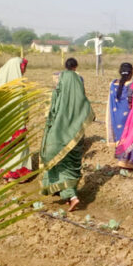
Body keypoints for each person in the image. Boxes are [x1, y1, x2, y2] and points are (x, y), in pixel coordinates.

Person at [40, 58, 95, 211]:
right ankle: (67, 193)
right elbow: (88, 112)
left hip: (59, 132)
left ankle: (71, 196)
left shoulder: (58, 90)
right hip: (76, 134)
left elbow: (51, 110)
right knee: (72, 164)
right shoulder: (81, 98)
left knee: (60, 162)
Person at [0, 57, 32, 181]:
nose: (24, 71)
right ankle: (16, 174)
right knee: (19, 147)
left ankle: (6, 173)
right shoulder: (19, 86)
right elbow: (23, 105)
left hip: (3, 124)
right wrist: (26, 116)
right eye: (23, 68)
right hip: (16, 123)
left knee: (7, 147)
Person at [106, 62, 133, 169]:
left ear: (120, 72)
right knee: (132, 137)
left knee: (121, 137)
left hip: (116, 117)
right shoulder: (132, 85)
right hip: (128, 116)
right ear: (131, 73)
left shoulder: (112, 83)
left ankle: (121, 158)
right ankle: (131, 160)